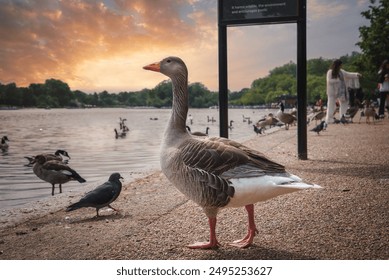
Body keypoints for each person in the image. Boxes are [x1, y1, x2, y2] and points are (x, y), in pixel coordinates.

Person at [325, 59, 361, 124]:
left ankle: (343, 117)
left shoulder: (341, 71)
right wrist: (337, 80)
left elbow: (348, 74)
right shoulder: (330, 72)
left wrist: (356, 74)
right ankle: (329, 119)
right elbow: (329, 81)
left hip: (341, 91)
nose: (342, 66)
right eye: (341, 65)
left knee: (344, 103)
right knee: (331, 105)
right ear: (337, 65)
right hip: (332, 91)